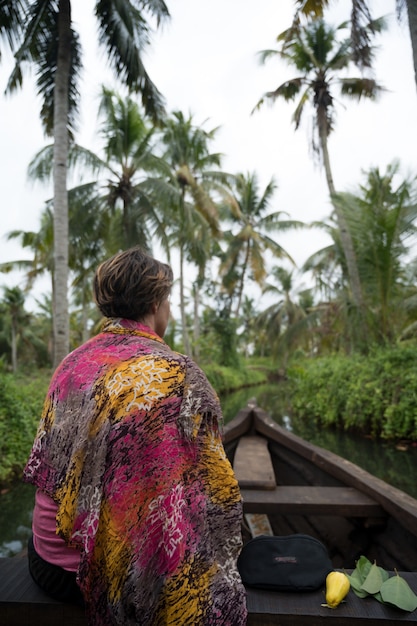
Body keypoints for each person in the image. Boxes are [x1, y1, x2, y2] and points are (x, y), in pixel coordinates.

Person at [23, 247, 248, 625]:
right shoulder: (176, 375)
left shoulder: (73, 362)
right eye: (169, 301)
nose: (170, 311)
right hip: (94, 577)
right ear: (158, 303)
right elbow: (205, 493)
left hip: (44, 560)